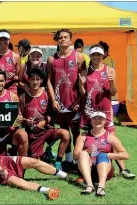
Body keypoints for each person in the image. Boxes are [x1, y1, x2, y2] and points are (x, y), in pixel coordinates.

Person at [79, 44, 135, 179]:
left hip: (106, 111)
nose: (96, 57)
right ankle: (86, 170)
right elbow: (83, 94)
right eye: (93, 55)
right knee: (87, 140)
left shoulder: (110, 70)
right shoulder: (85, 72)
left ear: (103, 55)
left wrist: (112, 83)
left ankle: (123, 168)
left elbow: (114, 93)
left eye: (98, 54)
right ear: (90, 56)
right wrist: (81, 84)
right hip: (89, 111)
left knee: (111, 139)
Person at [46, 29, 86, 171]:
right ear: (57, 40)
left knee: (76, 132)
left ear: (70, 40)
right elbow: (49, 81)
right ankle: (68, 161)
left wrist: (80, 101)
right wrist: (52, 100)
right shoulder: (51, 59)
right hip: (59, 104)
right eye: (60, 37)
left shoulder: (79, 57)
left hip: (74, 103)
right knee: (64, 132)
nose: (62, 39)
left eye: (65, 37)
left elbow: (84, 82)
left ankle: (79, 161)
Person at [19, 68, 70, 170]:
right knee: (35, 161)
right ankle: (45, 154)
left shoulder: (46, 94)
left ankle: (58, 162)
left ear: (41, 80)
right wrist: (25, 121)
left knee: (66, 134)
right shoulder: (22, 97)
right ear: (28, 80)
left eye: (37, 79)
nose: (35, 82)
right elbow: (19, 118)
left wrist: (45, 121)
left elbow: (52, 114)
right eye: (32, 79)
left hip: (47, 129)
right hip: (34, 134)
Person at [73, 111, 129, 196]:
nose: (97, 120)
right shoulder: (83, 136)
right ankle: (89, 185)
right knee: (83, 154)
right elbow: (75, 156)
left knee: (102, 155)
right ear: (91, 121)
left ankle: (101, 186)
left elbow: (125, 155)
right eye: (94, 118)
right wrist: (87, 151)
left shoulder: (110, 136)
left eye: (100, 119)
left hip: (105, 169)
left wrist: (110, 155)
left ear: (105, 121)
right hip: (87, 170)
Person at [0, 29, 21, 93]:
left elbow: (19, 77)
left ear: (9, 40)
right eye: (0, 39)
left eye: (5, 39)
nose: (3, 41)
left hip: (11, 89)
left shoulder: (16, 57)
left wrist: (13, 77)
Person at [98, 41, 119, 116]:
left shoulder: (109, 61)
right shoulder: (99, 60)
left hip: (110, 95)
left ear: (106, 52)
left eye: (100, 51)